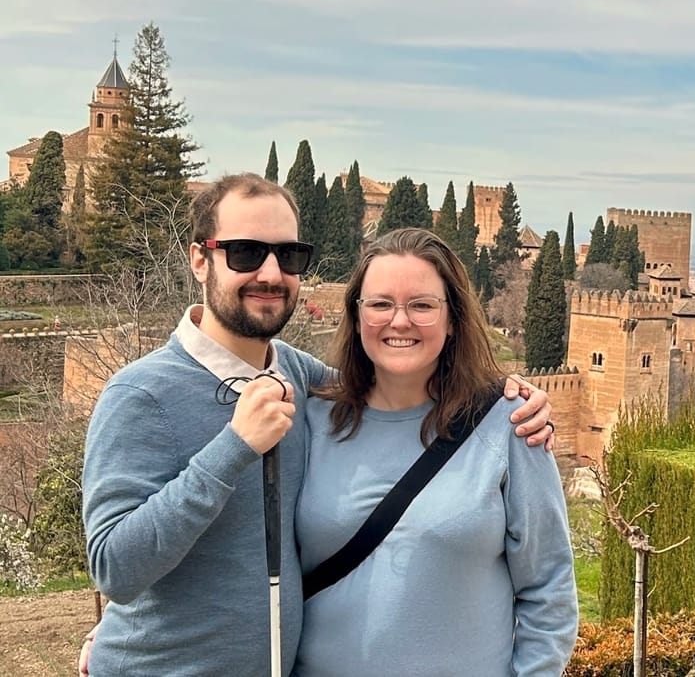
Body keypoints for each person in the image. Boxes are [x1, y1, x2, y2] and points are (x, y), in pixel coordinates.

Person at [80, 174, 554, 676]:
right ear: (200, 259)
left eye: (288, 256)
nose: (270, 273)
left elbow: (396, 382)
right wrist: (233, 447)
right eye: (245, 252)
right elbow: (114, 570)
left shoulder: (298, 376)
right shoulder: (141, 394)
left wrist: (505, 396)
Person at [292, 228, 577, 675]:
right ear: (357, 316)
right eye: (380, 304)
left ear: (452, 319)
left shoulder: (511, 424)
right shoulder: (310, 421)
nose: (399, 321)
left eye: (422, 305)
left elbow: (549, 588)